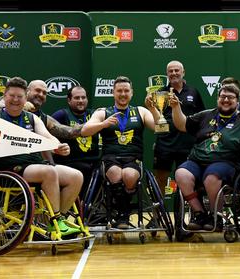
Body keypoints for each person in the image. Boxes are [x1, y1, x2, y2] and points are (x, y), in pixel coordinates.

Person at [0, 77, 83, 235]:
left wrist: (58, 146)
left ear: (25, 98)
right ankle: (55, 220)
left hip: (35, 165)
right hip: (10, 169)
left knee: (76, 176)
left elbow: (48, 136)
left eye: (19, 97)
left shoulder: (32, 117)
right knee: (49, 172)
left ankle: (55, 218)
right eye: (11, 96)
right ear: (4, 96)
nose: (15, 100)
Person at [170, 84, 240, 230]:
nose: (226, 100)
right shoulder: (206, 115)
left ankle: (216, 216)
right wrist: (176, 107)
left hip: (226, 163)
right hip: (197, 161)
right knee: (181, 173)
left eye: (230, 98)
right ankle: (200, 213)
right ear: (218, 98)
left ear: (237, 102)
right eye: (223, 97)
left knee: (211, 177)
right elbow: (182, 124)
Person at [81, 76, 157, 229]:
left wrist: (153, 109)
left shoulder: (141, 111)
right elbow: (84, 131)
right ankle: (123, 214)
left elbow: (160, 128)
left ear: (132, 93)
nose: (123, 94)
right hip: (111, 158)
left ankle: (123, 211)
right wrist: (103, 124)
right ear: (113, 93)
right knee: (116, 174)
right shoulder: (103, 112)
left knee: (129, 176)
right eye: (119, 91)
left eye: (126, 91)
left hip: (133, 158)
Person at [149, 61, 205, 197]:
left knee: (185, 180)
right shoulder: (159, 93)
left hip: (187, 144)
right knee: (160, 180)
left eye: (176, 70)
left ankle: (184, 214)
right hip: (165, 143)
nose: (174, 73)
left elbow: (202, 117)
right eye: (170, 71)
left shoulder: (193, 92)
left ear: (183, 72)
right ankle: (157, 216)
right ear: (167, 74)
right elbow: (157, 121)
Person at [51, 86, 100, 199]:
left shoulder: (94, 115)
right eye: (77, 98)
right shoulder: (61, 115)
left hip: (93, 160)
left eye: (83, 97)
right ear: (69, 100)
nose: (81, 101)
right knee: (85, 170)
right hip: (70, 161)